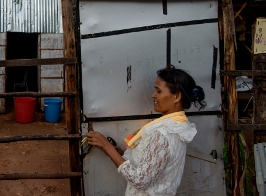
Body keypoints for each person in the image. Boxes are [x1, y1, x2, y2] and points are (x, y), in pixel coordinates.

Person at [87, 66, 206, 195]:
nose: (153, 95)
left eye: (158, 91)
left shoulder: (163, 134)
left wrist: (106, 146)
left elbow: (140, 180)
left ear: (177, 97)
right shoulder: (177, 126)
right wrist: (118, 154)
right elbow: (151, 166)